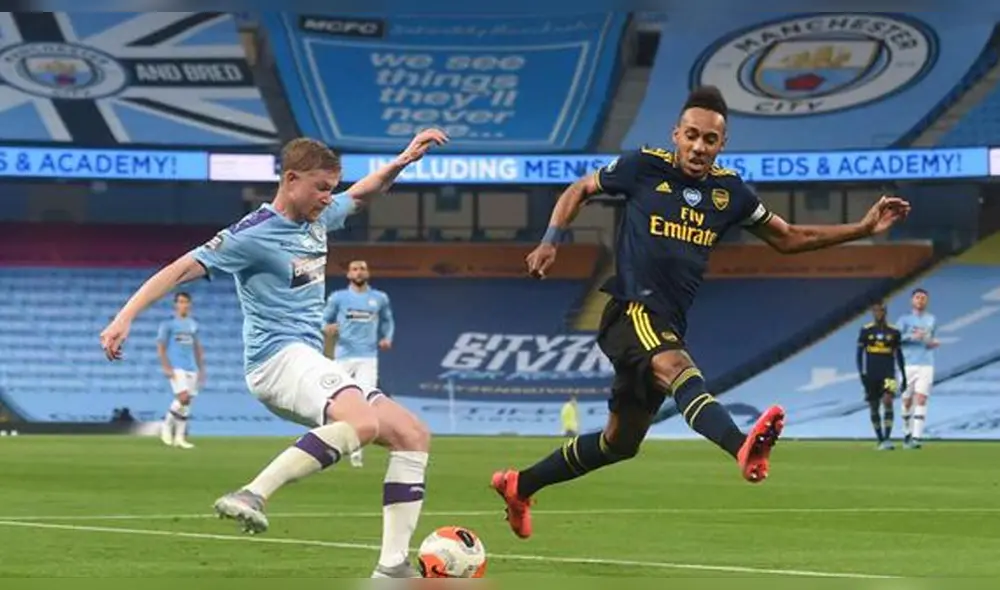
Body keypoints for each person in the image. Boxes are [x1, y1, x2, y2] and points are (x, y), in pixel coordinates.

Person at [490, 85, 911, 540]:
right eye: (691, 135)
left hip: (668, 321)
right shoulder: (642, 166)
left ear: (722, 144)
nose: (698, 146)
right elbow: (581, 188)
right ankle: (741, 447)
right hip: (632, 309)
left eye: (709, 139)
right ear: (676, 134)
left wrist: (863, 228)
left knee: (620, 443)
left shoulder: (730, 193)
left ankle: (520, 485)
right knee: (678, 368)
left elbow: (790, 237)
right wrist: (551, 240)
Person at [100, 129, 448, 578]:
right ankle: (252, 493)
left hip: (308, 358)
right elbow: (178, 269)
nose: (328, 197)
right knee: (361, 422)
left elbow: (362, 194)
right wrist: (124, 317)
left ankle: (392, 567)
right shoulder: (252, 234)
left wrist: (403, 160)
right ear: (291, 179)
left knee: (413, 434)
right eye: (321, 188)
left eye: (331, 188)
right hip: (275, 359)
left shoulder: (319, 218)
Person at [323, 259, 395, 468]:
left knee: (364, 403)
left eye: (362, 269)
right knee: (335, 401)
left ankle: (357, 452)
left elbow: (388, 320)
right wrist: (327, 328)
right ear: (348, 274)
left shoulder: (379, 298)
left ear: (368, 272)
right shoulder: (338, 297)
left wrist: (387, 337)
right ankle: (327, 446)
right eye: (355, 269)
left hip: (367, 357)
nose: (359, 272)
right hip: (343, 355)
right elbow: (324, 318)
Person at [156, 292, 204, 449]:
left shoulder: (193, 324)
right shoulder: (168, 325)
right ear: (175, 304)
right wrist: (166, 366)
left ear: (190, 304)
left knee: (186, 403)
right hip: (177, 366)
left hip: (192, 367)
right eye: (181, 302)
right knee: (183, 397)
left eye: (186, 302)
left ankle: (179, 438)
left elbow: (197, 347)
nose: (183, 305)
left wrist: (201, 369)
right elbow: (161, 347)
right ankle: (166, 426)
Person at [856, 302, 906, 450]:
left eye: (881, 310)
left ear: (885, 312)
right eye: (876, 311)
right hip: (871, 374)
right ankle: (880, 438)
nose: (878, 313)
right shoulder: (866, 330)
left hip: (889, 373)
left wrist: (904, 375)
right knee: (874, 406)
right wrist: (861, 373)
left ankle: (887, 438)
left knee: (888, 401)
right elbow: (859, 354)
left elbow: (899, 355)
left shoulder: (894, 331)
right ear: (872, 312)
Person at [897, 288, 938, 449]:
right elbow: (895, 339)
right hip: (908, 363)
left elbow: (929, 339)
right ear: (912, 300)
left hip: (926, 363)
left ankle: (917, 437)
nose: (920, 300)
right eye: (917, 297)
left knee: (921, 398)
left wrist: (932, 343)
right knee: (907, 400)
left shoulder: (931, 319)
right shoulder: (904, 320)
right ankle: (906, 431)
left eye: (923, 298)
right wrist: (911, 337)